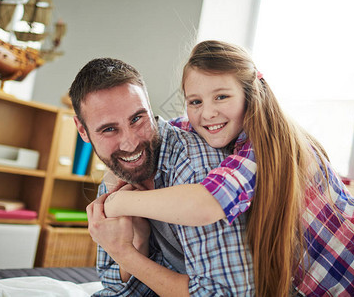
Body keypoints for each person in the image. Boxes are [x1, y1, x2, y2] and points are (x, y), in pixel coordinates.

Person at [102, 40, 354, 296]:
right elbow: (164, 135)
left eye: (221, 97)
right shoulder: (210, 128)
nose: (207, 113)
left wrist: (117, 203)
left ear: (250, 95)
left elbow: (208, 203)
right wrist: (122, 161)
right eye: (195, 101)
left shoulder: (267, 143)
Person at [68, 57, 254, 296]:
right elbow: (114, 286)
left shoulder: (196, 169)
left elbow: (226, 294)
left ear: (149, 107)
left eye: (137, 118)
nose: (131, 142)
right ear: (82, 130)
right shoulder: (117, 177)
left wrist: (125, 253)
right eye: (109, 129)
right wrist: (139, 245)